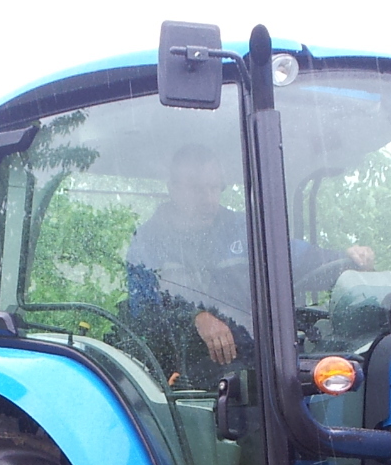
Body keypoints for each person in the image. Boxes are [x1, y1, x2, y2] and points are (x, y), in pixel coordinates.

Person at [126, 144, 372, 387]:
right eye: (198, 190)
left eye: (214, 188)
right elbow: (144, 315)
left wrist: (346, 258)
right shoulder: (147, 244)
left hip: (260, 362)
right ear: (174, 189)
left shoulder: (243, 230)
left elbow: (297, 258)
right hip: (187, 375)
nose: (209, 199)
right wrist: (195, 318)